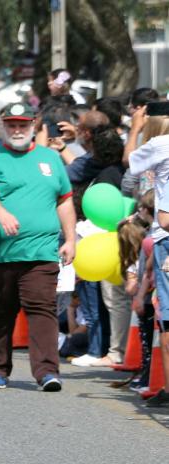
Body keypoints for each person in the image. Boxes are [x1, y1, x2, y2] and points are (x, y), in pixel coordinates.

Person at [0, 102, 77, 391]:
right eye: (12, 125)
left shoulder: (50, 158)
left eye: (22, 124)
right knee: (1, 311)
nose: (17, 130)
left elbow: (64, 199)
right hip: (1, 253)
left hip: (42, 251)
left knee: (42, 309)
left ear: (33, 126)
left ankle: (47, 372)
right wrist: (2, 214)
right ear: (4, 127)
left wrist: (70, 239)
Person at [128, 101, 169, 407]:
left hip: (165, 234)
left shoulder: (160, 143)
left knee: (167, 318)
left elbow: (130, 162)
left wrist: (136, 128)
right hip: (160, 232)